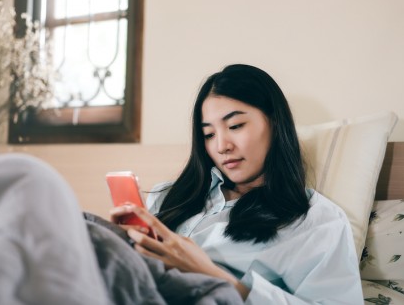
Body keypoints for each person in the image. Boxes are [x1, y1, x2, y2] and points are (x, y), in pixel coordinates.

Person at [110, 64, 364, 304]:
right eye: (208, 134)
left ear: (275, 123)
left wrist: (213, 276)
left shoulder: (316, 220)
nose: (221, 146)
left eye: (235, 125)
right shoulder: (168, 196)